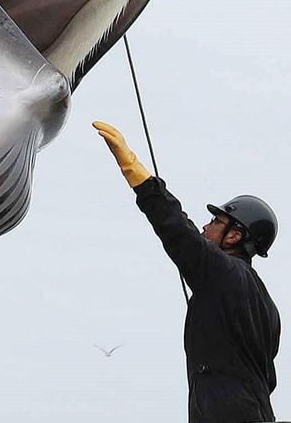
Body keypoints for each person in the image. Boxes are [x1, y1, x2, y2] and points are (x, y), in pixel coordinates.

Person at [94, 121, 280, 423]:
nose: (206, 226)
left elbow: (179, 232)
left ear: (234, 236)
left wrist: (138, 176)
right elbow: (266, 380)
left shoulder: (224, 274)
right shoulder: (267, 309)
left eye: (216, 221)